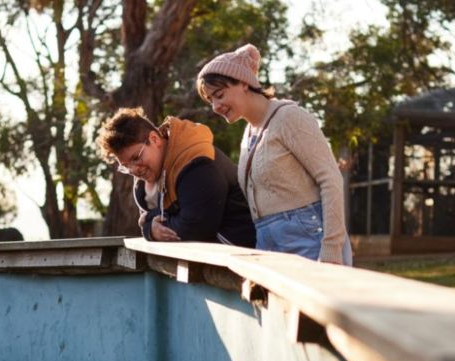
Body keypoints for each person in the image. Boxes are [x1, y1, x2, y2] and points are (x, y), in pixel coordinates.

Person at [197, 44, 352, 265]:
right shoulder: (249, 133)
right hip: (268, 246)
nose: (215, 106)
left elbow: (331, 179)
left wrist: (331, 249)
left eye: (219, 95)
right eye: (210, 100)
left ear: (243, 82)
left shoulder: (289, 117)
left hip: (309, 240)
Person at [96, 107, 256, 248]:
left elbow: (194, 229)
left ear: (154, 139)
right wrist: (149, 229)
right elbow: (151, 223)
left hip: (244, 254)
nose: (134, 170)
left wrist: (149, 223)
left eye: (136, 158)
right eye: (125, 166)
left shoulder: (197, 163)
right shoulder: (149, 178)